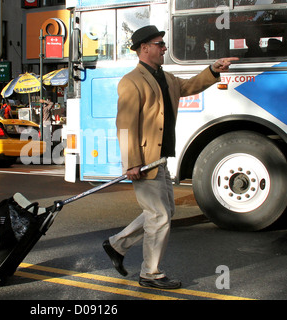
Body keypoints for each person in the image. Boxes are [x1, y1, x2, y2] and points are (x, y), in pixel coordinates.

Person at [102, 25, 238, 289]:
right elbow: (126, 124)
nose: (164, 48)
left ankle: (117, 244)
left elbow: (189, 86)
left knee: (163, 212)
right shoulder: (131, 81)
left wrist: (213, 70)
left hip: (161, 158)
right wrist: (131, 162)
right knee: (159, 215)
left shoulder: (165, 77)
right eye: (160, 44)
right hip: (144, 160)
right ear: (145, 48)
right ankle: (149, 274)